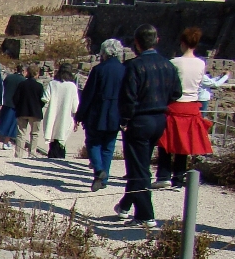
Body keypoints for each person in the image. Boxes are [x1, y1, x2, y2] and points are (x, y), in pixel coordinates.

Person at [116, 24, 182, 229]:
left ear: (136, 43)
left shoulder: (134, 66)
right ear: (157, 40)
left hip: (139, 120)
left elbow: (128, 98)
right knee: (140, 164)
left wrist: (124, 120)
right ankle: (125, 205)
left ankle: (145, 215)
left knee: (138, 168)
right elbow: (177, 93)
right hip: (159, 119)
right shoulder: (168, 65)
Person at [154, 27, 214, 189]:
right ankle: (179, 177)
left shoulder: (174, 62)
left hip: (175, 104)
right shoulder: (201, 64)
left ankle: (164, 175)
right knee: (183, 145)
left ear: (182, 43)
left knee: (166, 142)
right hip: (192, 106)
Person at [75, 39, 125, 191]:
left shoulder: (98, 70)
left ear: (104, 52)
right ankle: (104, 179)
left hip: (97, 113)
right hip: (116, 113)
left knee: (93, 143)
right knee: (108, 147)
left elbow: (88, 95)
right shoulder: (124, 70)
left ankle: (98, 170)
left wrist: (80, 115)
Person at [41, 62, 80, 159]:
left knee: (53, 138)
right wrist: (77, 120)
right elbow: (75, 107)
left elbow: (45, 98)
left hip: (52, 116)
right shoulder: (72, 86)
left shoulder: (52, 84)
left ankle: (52, 156)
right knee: (62, 138)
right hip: (66, 117)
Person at [11, 64, 47, 159]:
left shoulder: (22, 84)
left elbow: (15, 98)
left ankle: (19, 154)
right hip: (35, 112)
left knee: (21, 134)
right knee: (34, 134)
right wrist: (39, 106)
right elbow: (42, 100)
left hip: (22, 111)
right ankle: (32, 154)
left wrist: (18, 107)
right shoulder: (39, 86)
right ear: (36, 73)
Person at [0, 64, 26, 149]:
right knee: (11, 125)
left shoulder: (9, 77)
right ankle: (6, 142)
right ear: (23, 71)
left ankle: (1, 136)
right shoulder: (23, 80)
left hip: (5, 102)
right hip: (14, 104)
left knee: (3, 121)